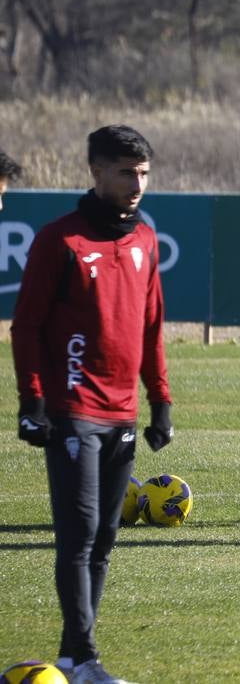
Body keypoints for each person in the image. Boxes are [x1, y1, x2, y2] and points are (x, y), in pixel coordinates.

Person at [12, 125, 174, 684]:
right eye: (126, 172)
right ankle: (85, 657)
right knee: (78, 535)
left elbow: (152, 326)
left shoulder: (145, 241)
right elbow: (27, 326)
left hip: (122, 414)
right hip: (72, 409)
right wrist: (32, 401)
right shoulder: (60, 240)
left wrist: (161, 403)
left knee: (105, 540)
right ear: (96, 172)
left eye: (144, 173)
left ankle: (71, 659)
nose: (137, 184)